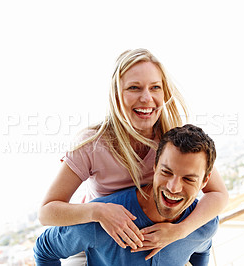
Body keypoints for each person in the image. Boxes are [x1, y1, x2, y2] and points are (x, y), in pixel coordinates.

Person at [38, 48, 228, 261]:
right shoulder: (92, 144)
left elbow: (218, 194)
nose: (147, 98)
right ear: (117, 95)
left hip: (153, 238)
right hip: (99, 241)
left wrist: (179, 232)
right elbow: (47, 212)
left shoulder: (171, 138)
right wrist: (97, 212)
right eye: (134, 88)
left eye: (155, 87)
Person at [34, 124, 219, 266]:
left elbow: (202, 248)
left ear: (205, 181)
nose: (174, 187)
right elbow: (44, 250)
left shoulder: (205, 224)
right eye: (166, 172)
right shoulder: (102, 225)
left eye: (188, 179)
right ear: (154, 167)